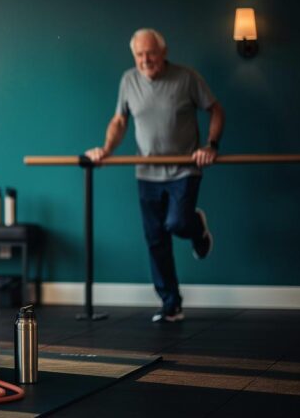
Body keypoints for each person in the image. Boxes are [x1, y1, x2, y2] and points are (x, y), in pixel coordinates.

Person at [86, 28, 225, 323]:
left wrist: (210, 146)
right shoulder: (129, 80)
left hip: (184, 168)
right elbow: (119, 120)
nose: (145, 59)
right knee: (155, 239)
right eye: (139, 54)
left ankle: (196, 227)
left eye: (150, 53)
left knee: (176, 222)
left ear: (163, 53)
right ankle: (171, 304)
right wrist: (107, 148)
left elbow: (216, 110)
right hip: (147, 172)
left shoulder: (187, 78)